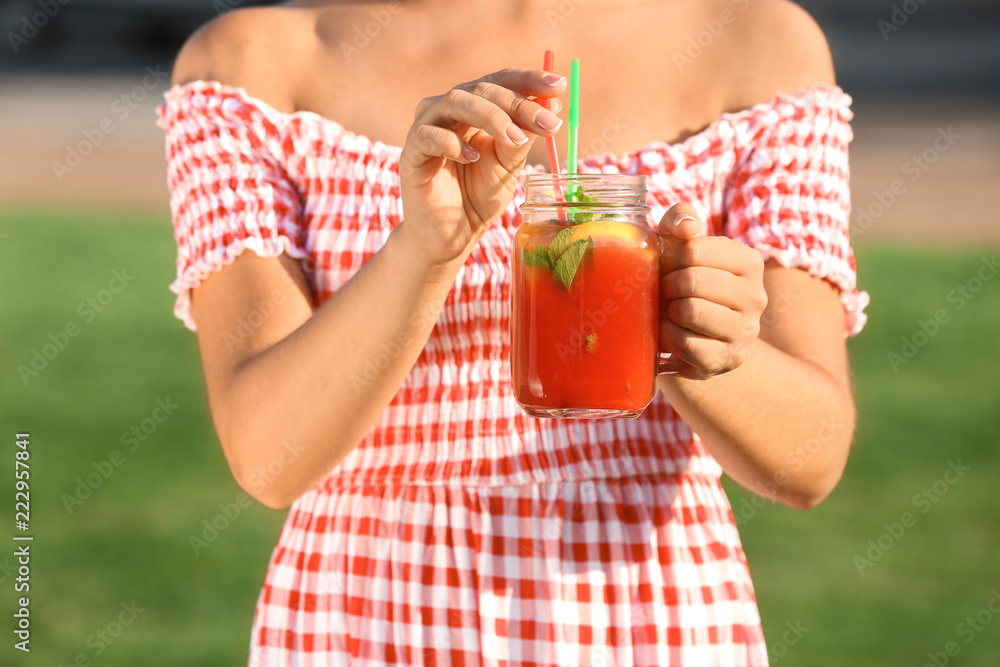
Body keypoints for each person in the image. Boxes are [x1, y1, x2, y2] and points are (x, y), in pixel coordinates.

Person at [158, 0, 868, 664]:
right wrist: (425, 249)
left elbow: (810, 459)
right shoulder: (252, 64)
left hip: (644, 614)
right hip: (366, 618)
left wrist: (679, 329)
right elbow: (269, 454)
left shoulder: (759, 44)